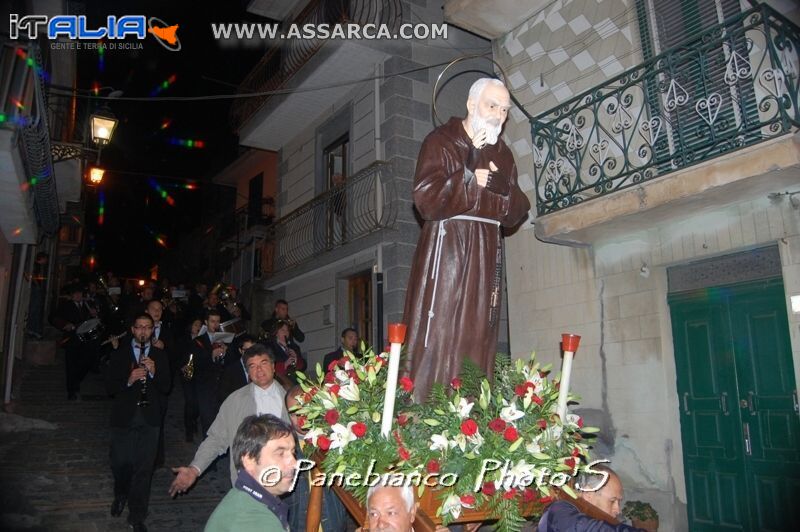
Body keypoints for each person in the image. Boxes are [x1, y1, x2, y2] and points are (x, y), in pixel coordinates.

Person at [402, 77, 531, 401]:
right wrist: (471, 178)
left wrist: (504, 189)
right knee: (442, 327)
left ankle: (472, 407)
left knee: (478, 331)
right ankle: (427, 405)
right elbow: (425, 198)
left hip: (487, 250)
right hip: (448, 248)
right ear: (472, 105)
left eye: (504, 109)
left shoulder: (504, 154)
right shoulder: (441, 141)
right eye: (492, 105)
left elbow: (518, 212)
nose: (498, 115)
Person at [169, 343, 290, 493]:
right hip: (249, 482)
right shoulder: (235, 401)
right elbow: (216, 439)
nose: (259, 370)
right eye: (252, 366)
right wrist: (194, 469)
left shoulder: (291, 398)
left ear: (273, 366)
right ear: (248, 372)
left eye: (263, 363)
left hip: (287, 482)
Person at [106, 313, 171, 532]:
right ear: (133, 330)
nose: (143, 331)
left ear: (152, 330)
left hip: (149, 418)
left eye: (147, 327)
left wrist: (154, 372)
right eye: (139, 327)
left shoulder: (160, 355)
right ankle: (121, 493)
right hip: (123, 417)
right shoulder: (119, 354)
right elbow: (110, 388)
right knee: (121, 464)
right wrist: (129, 379)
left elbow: (166, 387)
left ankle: (137, 516)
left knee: (144, 470)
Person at [203, 414, 297, 532]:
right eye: (280, 453)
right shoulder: (254, 523)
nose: (294, 463)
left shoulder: (242, 497)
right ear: (249, 460)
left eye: (293, 452)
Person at [284, 385, 346, 532]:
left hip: (334, 524)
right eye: (294, 414)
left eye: (305, 410)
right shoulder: (285, 450)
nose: (300, 419)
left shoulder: (337, 442)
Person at [538, 465, 650, 531]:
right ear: (588, 496)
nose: (617, 510)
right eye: (612, 501)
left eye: (618, 502)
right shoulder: (559, 510)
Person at [51, 284, 98, 400]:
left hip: (86, 339)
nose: (78, 296)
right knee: (71, 365)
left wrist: (95, 314)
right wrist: (64, 324)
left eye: (80, 293)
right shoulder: (66, 305)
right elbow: (53, 317)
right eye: (75, 294)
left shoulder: (88, 305)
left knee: (86, 363)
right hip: (72, 339)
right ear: (72, 295)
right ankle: (71, 390)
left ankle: (75, 381)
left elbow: (96, 320)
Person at [194, 309, 228, 436]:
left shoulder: (223, 338)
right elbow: (196, 362)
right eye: (212, 321)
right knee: (207, 420)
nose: (215, 324)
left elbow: (229, 362)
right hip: (205, 385)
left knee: (221, 419)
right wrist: (211, 355)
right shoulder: (199, 340)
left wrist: (225, 352)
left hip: (221, 384)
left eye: (218, 322)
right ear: (206, 322)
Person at [178, 318, 203, 442]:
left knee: (198, 403)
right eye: (195, 325)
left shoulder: (203, 340)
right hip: (187, 373)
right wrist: (182, 366)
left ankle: (193, 421)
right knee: (190, 402)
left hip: (199, 374)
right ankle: (189, 429)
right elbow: (178, 355)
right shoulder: (184, 340)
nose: (198, 327)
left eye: (200, 325)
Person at [218, 334, 257, 403]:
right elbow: (224, 396)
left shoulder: (259, 367)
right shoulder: (230, 370)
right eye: (247, 350)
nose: (251, 353)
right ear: (240, 350)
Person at [267, 320, 306, 387]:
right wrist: (284, 365)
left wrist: (296, 359)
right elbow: (268, 366)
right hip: (280, 383)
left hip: (295, 381)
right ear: (276, 333)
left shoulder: (294, 347)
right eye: (282, 330)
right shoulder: (270, 347)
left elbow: (304, 365)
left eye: (287, 330)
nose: (286, 332)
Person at [26, 251, 49, 339]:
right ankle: (32, 329)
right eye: (45, 259)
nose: (46, 261)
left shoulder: (40, 267)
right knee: (35, 309)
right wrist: (37, 285)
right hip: (36, 290)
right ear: (42, 258)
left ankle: (34, 329)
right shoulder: (36, 265)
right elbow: (31, 275)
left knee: (37, 309)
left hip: (37, 289)